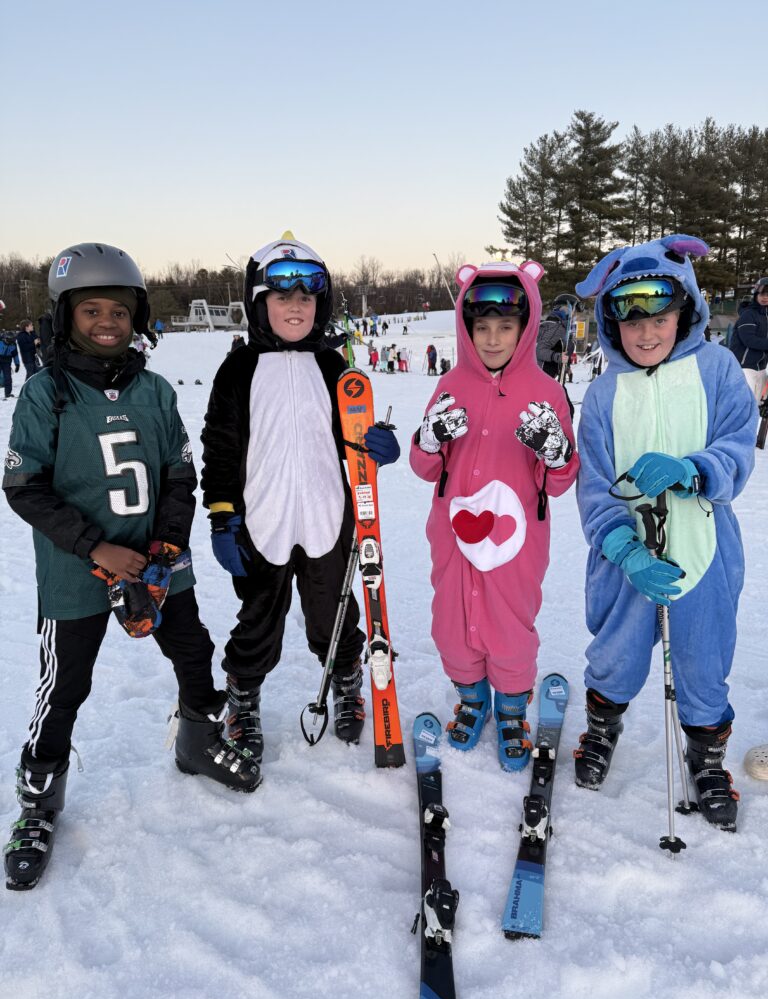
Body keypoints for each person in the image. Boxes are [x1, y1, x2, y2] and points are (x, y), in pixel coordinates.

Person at [2, 242, 262, 891]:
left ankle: (196, 741)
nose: (107, 322)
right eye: (91, 310)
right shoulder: (46, 394)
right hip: (78, 570)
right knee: (64, 686)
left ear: (137, 314)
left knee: (194, 651)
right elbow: (24, 487)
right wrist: (96, 547)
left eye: (118, 310)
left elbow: (179, 471)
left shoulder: (154, 391)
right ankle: (38, 801)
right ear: (67, 317)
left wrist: (168, 544)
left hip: (157, 563)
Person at [573, 234, 757, 832]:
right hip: (628, 559)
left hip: (703, 549)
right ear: (610, 323)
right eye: (630, 320)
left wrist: (693, 469)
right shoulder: (602, 396)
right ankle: (603, 729)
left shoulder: (717, 369)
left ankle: (705, 757)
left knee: (703, 661)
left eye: (660, 315)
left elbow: (737, 445)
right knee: (616, 656)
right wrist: (623, 549)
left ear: (686, 312)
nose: (646, 333)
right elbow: (595, 487)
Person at [200, 232, 400, 777]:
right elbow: (219, 447)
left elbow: (351, 438)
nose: (295, 306)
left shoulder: (335, 368)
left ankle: (347, 680)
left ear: (321, 304)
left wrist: (374, 445)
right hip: (260, 520)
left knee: (332, 612)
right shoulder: (238, 370)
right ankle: (242, 699)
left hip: (324, 518)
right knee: (258, 619)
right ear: (259, 303)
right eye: (282, 296)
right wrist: (222, 517)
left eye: (307, 298)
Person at [409, 261, 579, 770]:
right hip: (455, 534)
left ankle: (510, 709)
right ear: (466, 327)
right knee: (452, 621)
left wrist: (556, 453)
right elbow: (423, 466)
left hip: (517, 541)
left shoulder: (547, 392)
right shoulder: (449, 384)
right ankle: (473, 699)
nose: (492, 338)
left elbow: (562, 479)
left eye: (505, 327)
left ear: (525, 328)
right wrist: (429, 439)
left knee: (510, 623)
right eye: (481, 327)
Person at [729, 276, 768, 402]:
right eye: (762, 294)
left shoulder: (766, 316)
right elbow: (749, 340)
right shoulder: (749, 314)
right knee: (744, 404)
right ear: (756, 294)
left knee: (755, 405)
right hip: (744, 367)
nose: (765, 297)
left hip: (760, 367)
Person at [0, 328, 20, 399]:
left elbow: (15, 355)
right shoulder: (0, 342)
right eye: (10, 341)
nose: (12, 342)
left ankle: (8, 393)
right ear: (6, 339)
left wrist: (17, 364)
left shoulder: (13, 344)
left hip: (7, 362)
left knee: (8, 378)